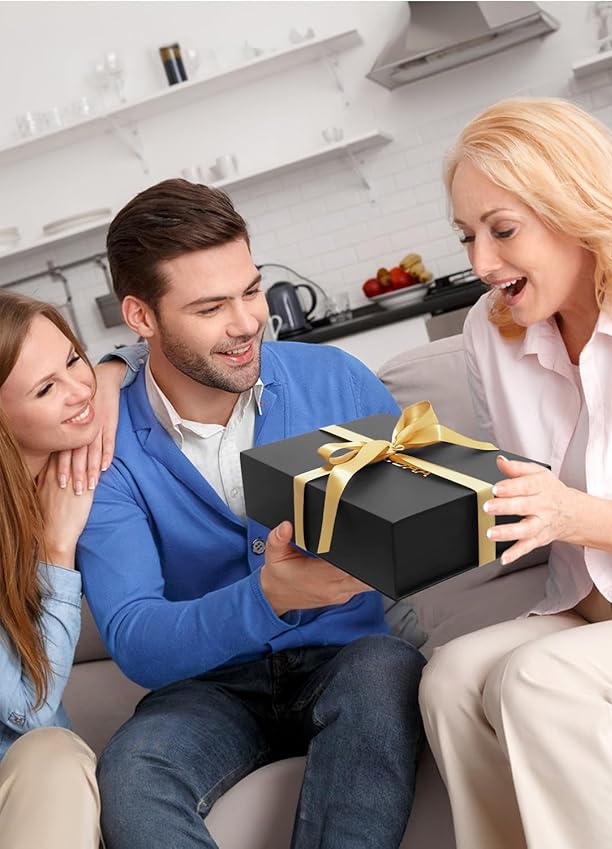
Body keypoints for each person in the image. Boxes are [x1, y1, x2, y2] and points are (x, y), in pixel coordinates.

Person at [76, 178, 426, 849]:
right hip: (206, 688)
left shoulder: (335, 380)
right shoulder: (106, 446)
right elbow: (136, 636)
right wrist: (269, 596)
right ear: (141, 317)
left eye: (250, 290)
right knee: (132, 772)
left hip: (349, 658)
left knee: (386, 671)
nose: (245, 323)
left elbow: (423, 517)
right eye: (210, 307)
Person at [418, 96, 612, 849]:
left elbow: (561, 508)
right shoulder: (490, 330)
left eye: (502, 231)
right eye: (467, 236)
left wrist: (568, 513)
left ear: (577, 210)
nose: (480, 264)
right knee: (450, 680)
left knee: (542, 684)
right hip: (591, 606)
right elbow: (516, 486)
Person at [0, 292, 120, 849]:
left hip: (40, 787)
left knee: (55, 755)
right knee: (51, 751)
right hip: (28, 773)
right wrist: (56, 548)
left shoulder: (69, 464)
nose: (79, 391)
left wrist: (114, 370)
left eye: (74, 359)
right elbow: (27, 708)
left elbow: (149, 357)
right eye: (46, 389)